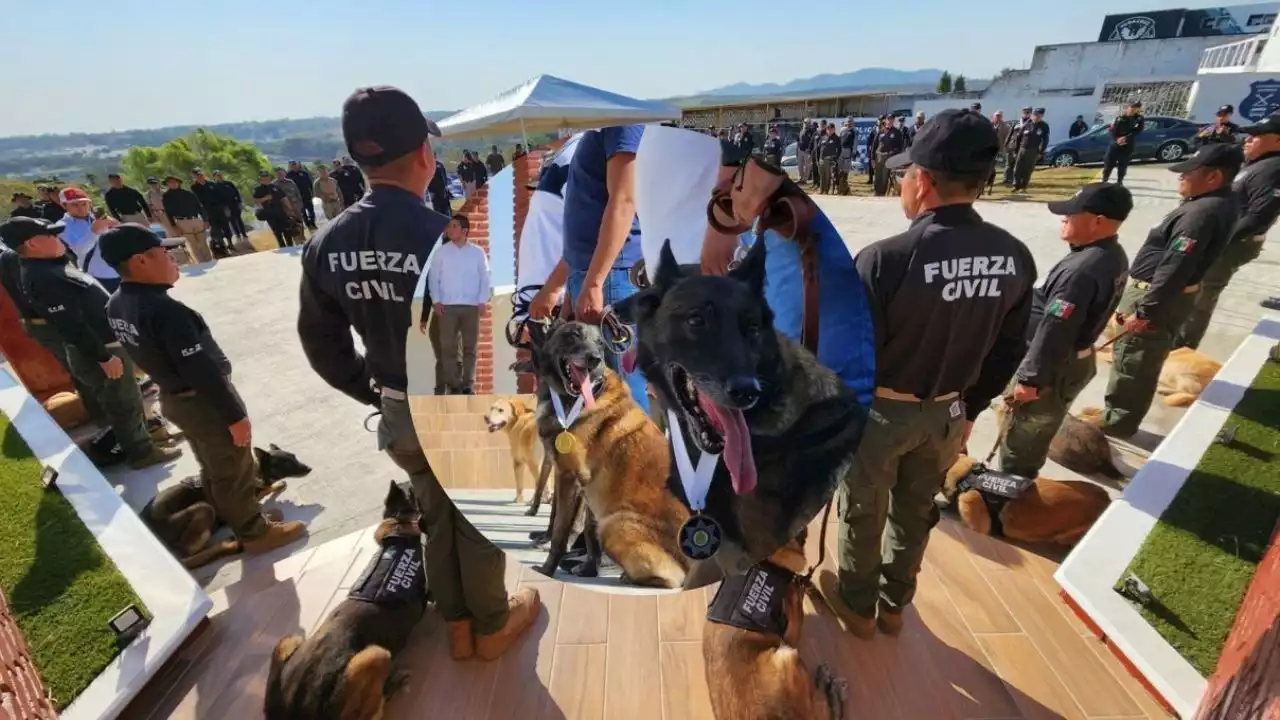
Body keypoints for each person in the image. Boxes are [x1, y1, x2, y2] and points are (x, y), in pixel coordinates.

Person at [299, 85, 538, 662]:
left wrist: (380, 391)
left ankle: (455, 624)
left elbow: (323, 346)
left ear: (358, 160)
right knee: (478, 520)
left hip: (400, 408)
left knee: (434, 514)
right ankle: (489, 626)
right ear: (426, 156)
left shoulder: (326, 241)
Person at [817, 108, 1036, 639]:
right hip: (949, 414)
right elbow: (1009, 349)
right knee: (916, 512)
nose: (901, 185)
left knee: (864, 511)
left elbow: (845, 354)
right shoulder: (1015, 256)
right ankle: (895, 606)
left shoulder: (886, 258)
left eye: (903, 174)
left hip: (880, 414)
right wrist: (969, 412)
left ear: (924, 180)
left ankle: (857, 604)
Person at [100, 223, 305, 553]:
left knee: (214, 466)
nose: (172, 258)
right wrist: (234, 415)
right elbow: (200, 368)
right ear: (140, 261)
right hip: (203, 402)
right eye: (163, 253)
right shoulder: (165, 311)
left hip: (175, 397)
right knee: (232, 470)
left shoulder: (117, 303)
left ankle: (237, 512)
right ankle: (255, 534)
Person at [2, 217, 183, 469]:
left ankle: (146, 437)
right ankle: (142, 453)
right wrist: (103, 358)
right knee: (124, 404)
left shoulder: (51, 266)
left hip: (107, 344)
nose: (58, 239)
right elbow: (70, 325)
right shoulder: (41, 277)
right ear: (33, 243)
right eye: (51, 235)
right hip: (101, 349)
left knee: (128, 398)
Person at [1093, 144, 1242, 438]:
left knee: (1134, 361)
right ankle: (1117, 413)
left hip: (1156, 296)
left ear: (1213, 177)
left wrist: (1146, 310)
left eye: (1188, 173)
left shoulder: (1199, 214)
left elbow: (1175, 266)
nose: (1180, 178)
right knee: (1139, 359)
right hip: (1166, 296)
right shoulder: (1215, 203)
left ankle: (1117, 421)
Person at [1000, 184, 1132, 478]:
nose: (1064, 219)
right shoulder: (1107, 253)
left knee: (1023, 441)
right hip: (1068, 361)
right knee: (1034, 433)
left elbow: (1056, 328)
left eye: (1071, 214)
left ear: (1098, 221)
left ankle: (1012, 499)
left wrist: (1030, 380)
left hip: (1053, 368)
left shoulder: (1082, 270)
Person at [528, 124, 651, 412]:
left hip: (612, 276)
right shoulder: (598, 131)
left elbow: (623, 201)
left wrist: (594, 283)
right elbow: (583, 234)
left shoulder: (622, 123)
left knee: (620, 395)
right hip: (595, 275)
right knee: (597, 396)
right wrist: (565, 288)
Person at [1178, 113, 1280, 349]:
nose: (1248, 139)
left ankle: (1183, 347)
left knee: (1200, 297)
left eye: (1257, 136)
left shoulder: (1273, 170)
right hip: (1222, 240)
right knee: (1193, 291)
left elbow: (1258, 216)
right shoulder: (1258, 163)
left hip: (1230, 245)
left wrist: (1215, 242)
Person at [427, 214, 490, 395]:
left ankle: (468, 384)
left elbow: (485, 277)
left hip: (471, 307)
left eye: (453, 226)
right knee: (448, 348)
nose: (449, 230)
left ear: (464, 230)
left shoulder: (478, 252)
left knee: (470, 348)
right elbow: (433, 278)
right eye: (448, 226)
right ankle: (453, 384)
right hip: (447, 307)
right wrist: (436, 301)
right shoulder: (441, 252)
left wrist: (482, 300)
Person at [58, 187, 123, 292]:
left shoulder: (98, 218)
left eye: (84, 204)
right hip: (98, 275)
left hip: (121, 270)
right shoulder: (63, 226)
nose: (81, 208)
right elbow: (79, 251)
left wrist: (119, 227)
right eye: (75, 205)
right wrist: (94, 232)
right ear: (64, 205)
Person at [162, 176, 214, 265]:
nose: (172, 184)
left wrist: (205, 220)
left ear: (179, 183)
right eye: (170, 182)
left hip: (195, 219)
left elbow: (199, 207)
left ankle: (209, 261)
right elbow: (168, 213)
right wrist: (174, 226)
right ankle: (201, 263)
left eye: (174, 182)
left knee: (203, 242)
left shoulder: (188, 193)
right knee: (193, 245)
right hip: (182, 222)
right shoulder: (166, 197)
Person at [191, 169, 232, 256]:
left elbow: (220, 196)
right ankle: (221, 247)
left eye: (201, 175)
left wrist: (225, 207)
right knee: (215, 228)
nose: (200, 177)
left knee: (225, 225)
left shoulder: (211, 184)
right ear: (194, 177)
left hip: (219, 207)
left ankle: (230, 243)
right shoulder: (195, 187)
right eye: (197, 176)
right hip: (208, 210)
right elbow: (197, 201)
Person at [1102, 102, 1144, 185]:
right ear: (1128, 108)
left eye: (1136, 109)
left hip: (1127, 145)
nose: (1133, 110)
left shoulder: (1139, 118)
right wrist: (1117, 139)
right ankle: (1104, 180)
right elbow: (1111, 130)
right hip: (1115, 144)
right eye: (1132, 108)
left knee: (1123, 165)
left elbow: (1139, 130)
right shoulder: (1119, 117)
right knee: (1108, 163)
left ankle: (1119, 181)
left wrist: (1126, 138)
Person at [252, 172, 297, 248]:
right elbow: (255, 201)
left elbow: (284, 198)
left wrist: (291, 209)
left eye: (267, 178)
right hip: (270, 214)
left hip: (280, 212)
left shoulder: (275, 187)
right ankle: (282, 246)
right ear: (261, 179)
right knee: (277, 232)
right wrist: (265, 198)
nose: (266, 179)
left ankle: (290, 246)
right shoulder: (258, 189)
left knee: (287, 230)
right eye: (264, 178)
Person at [1012, 108, 1050, 193]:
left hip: (1033, 150)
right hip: (1022, 149)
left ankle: (1023, 186)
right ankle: (1016, 185)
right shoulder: (1027, 124)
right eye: (1035, 115)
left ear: (1042, 116)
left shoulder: (1044, 126)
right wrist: (1016, 150)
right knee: (1017, 168)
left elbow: (1045, 140)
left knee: (1027, 169)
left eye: (1039, 116)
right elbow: (1019, 137)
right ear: (1032, 115)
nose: (1036, 117)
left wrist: (1041, 151)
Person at [872, 115, 907, 197]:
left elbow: (900, 146)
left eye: (891, 120)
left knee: (885, 176)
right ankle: (877, 192)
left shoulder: (897, 132)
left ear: (893, 121)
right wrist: (872, 158)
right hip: (879, 157)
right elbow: (874, 145)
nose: (889, 121)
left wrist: (893, 155)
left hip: (889, 157)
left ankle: (882, 193)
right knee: (878, 176)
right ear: (885, 121)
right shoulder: (881, 131)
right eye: (888, 119)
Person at [212, 171, 249, 245]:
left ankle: (244, 234)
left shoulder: (229, 183)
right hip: (226, 206)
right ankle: (237, 235)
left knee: (239, 219)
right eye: (217, 175)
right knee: (232, 221)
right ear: (214, 177)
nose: (219, 176)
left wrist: (239, 202)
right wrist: (224, 208)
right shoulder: (215, 186)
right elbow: (217, 198)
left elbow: (236, 192)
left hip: (234, 203)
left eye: (220, 175)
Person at [273, 167, 306, 235]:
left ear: (285, 173)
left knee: (300, 227)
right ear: (275, 175)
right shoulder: (274, 185)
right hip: (285, 211)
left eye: (282, 173)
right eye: (278, 174)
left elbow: (298, 194)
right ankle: (297, 243)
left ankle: (303, 240)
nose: (280, 175)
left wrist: (300, 206)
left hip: (296, 209)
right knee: (292, 229)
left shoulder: (291, 182)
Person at [1004, 107, 1032, 186]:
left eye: (1027, 112)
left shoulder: (1031, 124)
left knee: (1019, 165)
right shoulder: (1016, 123)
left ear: (1030, 113)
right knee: (1009, 164)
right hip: (1012, 146)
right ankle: (1007, 179)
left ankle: (1017, 180)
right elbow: (1010, 133)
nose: (1025, 114)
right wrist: (1006, 143)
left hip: (1021, 147)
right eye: (1024, 112)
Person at [287, 161, 317, 231]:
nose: (294, 166)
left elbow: (310, 183)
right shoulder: (289, 175)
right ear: (290, 166)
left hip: (307, 195)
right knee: (303, 213)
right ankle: (308, 225)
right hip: (298, 198)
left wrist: (312, 192)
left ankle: (312, 223)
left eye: (295, 165)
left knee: (311, 211)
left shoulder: (304, 173)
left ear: (298, 165)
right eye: (292, 165)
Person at [817, 123, 841, 194]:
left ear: (834, 129)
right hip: (822, 159)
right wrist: (819, 158)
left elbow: (839, 150)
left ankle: (826, 190)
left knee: (828, 176)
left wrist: (835, 159)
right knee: (822, 175)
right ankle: (822, 189)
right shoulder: (823, 137)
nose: (829, 131)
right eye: (828, 129)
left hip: (830, 160)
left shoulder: (836, 138)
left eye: (831, 129)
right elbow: (820, 148)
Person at [797, 120, 815, 185]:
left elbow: (812, 142)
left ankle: (805, 179)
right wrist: (798, 148)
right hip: (800, 150)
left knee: (807, 166)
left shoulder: (812, 131)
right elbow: (798, 140)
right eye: (804, 122)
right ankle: (801, 178)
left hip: (807, 151)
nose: (805, 124)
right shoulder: (801, 131)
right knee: (800, 165)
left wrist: (809, 150)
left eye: (807, 123)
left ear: (809, 123)